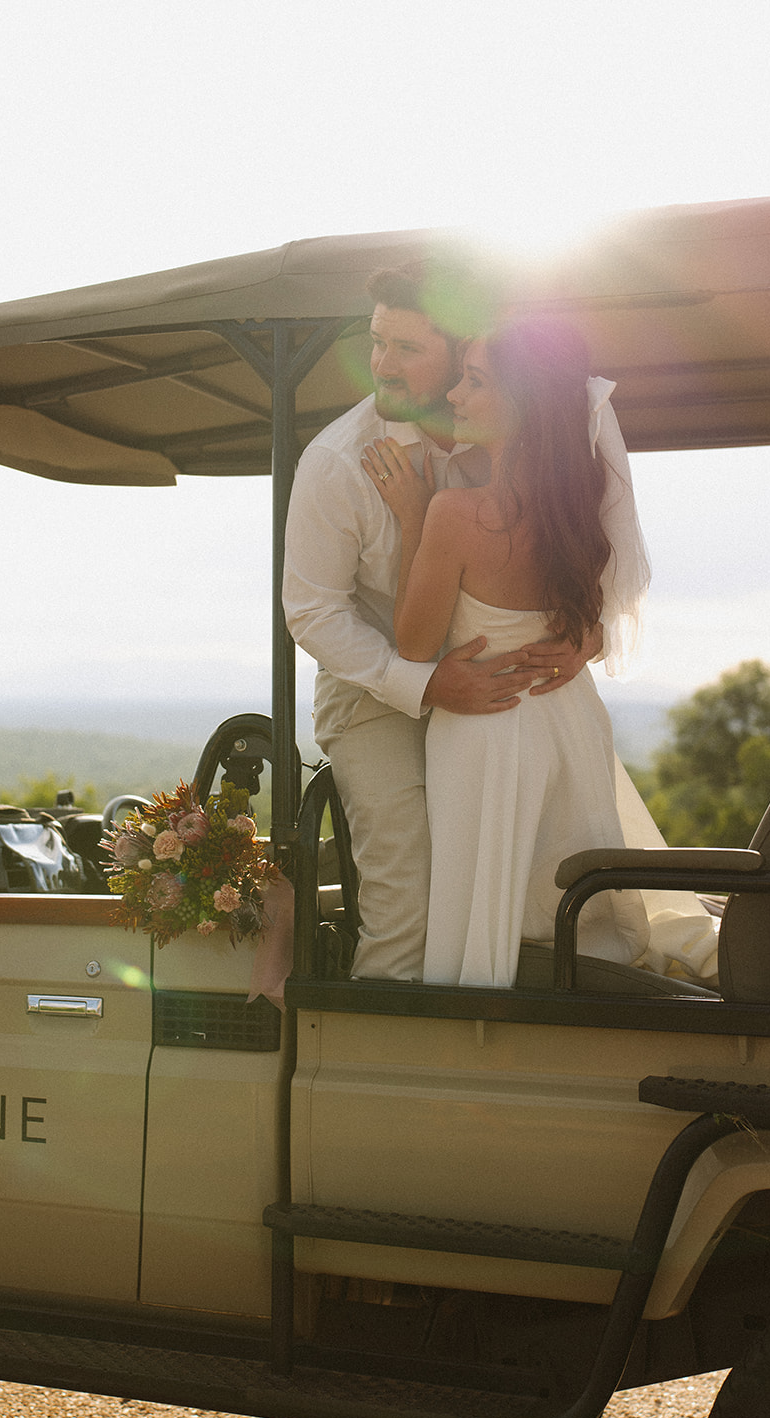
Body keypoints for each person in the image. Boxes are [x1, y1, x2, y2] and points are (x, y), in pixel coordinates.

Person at [362, 315, 704, 986]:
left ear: (520, 406)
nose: (455, 396)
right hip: (567, 718)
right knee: (573, 895)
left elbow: (413, 642)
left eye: (473, 381)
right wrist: (587, 640)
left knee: (488, 899)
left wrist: (410, 517)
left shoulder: (454, 514)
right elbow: (602, 611)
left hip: (485, 733)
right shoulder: (579, 504)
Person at [283, 265, 600, 982]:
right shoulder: (336, 462)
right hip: (375, 698)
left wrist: (587, 635)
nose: (382, 365)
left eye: (407, 349)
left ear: (464, 359)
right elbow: (311, 611)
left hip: (493, 696)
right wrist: (425, 685)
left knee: (516, 886)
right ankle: (374, 1078)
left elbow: (582, 550)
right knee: (410, 899)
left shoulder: (501, 438)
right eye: (376, 342)